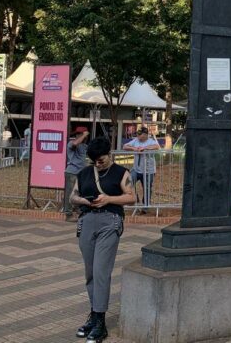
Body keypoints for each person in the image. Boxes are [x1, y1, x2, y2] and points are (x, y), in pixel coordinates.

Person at [70, 137, 135, 343]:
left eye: (102, 159)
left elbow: (132, 197)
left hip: (110, 222)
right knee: (90, 272)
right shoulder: (84, 173)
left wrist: (108, 199)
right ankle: (93, 313)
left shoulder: (121, 173)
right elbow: (73, 196)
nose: (99, 163)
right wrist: (83, 201)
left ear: (110, 154)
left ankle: (100, 320)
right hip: (87, 221)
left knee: (101, 271)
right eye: (95, 160)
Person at [122, 126, 160, 213]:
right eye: (137, 134)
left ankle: (145, 207)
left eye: (140, 135)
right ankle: (136, 199)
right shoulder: (135, 140)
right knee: (128, 183)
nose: (138, 136)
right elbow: (124, 146)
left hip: (148, 171)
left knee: (147, 188)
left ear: (146, 134)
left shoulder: (151, 141)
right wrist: (134, 148)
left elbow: (157, 147)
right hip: (136, 169)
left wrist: (145, 148)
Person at [63, 127, 89, 219]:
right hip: (72, 172)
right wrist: (84, 135)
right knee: (70, 193)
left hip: (81, 174)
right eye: (78, 134)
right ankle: (68, 214)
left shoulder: (84, 146)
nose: (78, 136)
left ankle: (78, 210)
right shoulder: (72, 143)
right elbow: (75, 143)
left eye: (80, 134)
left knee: (79, 193)